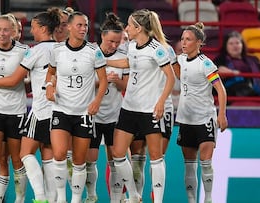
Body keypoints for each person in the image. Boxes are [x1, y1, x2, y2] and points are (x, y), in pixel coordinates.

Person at [0, 8, 61, 203]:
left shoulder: (29, 51)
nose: (32, 31)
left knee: (23, 156)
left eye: (34, 27)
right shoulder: (62, 49)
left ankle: (35, 198)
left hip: (27, 111)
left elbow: (16, 80)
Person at [109, 9, 175, 203]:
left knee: (156, 157)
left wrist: (161, 101)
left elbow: (171, 77)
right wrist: (103, 61)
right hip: (129, 107)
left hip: (149, 109)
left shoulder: (157, 49)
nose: (126, 28)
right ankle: (135, 195)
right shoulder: (131, 46)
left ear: (138, 28)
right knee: (118, 153)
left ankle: (158, 200)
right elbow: (128, 62)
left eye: (129, 25)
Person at [45, 11, 108, 203]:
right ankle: (62, 199)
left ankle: (76, 199)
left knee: (80, 161)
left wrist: (97, 101)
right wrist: (49, 87)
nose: (83, 29)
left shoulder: (93, 51)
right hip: (61, 110)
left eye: (86, 25)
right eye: (79, 25)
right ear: (69, 27)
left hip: (83, 113)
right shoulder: (57, 51)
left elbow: (104, 80)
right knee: (59, 154)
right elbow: (50, 73)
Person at [174, 22, 228, 203]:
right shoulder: (180, 60)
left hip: (204, 119)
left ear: (199, 43)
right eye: (182, 39)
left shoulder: (206, 64)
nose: (183, 43)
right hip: (186, 120)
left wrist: (221, 115)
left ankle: (209, 199)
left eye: (188, 39)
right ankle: (191, 201)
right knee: (189, 166)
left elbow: (220, 90)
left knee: (205, 163)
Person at [0, 14, 29, 203]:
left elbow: (19, 80)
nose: (1, 33)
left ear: (14, 31)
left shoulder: (24, 51)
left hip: (16, 111)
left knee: (16, 160)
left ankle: (19, 199)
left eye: (6, 29)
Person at [83, 12, 129, 203]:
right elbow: (83, 84)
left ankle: (118, 198)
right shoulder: (90, 52)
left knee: (116, 160)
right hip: (93, 114)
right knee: (90, 160)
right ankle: (91, 196)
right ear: (102, 36)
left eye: (117, 42)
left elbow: (127, 87)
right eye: (111, 41)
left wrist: (117, 81)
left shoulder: (123, 57)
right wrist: (101, 81)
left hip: (114, 115)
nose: (114, 45)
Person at [213, 30, 260, 98]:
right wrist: (233, 73)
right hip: (231, 88)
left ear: (242, 45)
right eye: (231, 44)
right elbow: (218, 70)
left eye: (237, 43)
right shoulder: (221, 59)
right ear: (226, 46)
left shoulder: (253, 59)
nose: (234, 46)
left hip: (252, 86)